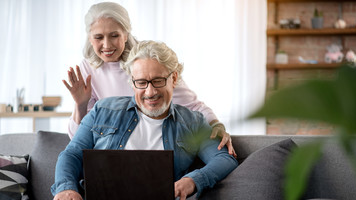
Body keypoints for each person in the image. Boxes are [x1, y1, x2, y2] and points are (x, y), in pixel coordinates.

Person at [30, 40, 238, 200]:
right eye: (141, 83)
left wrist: (191, 181)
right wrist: (66, 187)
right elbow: (72, 153)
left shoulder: (193, 123)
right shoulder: (104, 109)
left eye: (158, 80)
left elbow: (224, 158)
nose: (150, 91)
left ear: (174, 78)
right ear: (132, 82)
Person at [63, 2, 236, 157]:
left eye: (114, 35)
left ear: (126, 33)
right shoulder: (88, 69)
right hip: (115, 155)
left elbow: (194, 106)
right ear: (90, 38)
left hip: (155, 146)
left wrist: (216, 125)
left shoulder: (147, 60)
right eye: (99, 37)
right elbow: (78, 139)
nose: (107, 45)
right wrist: (80, 105)